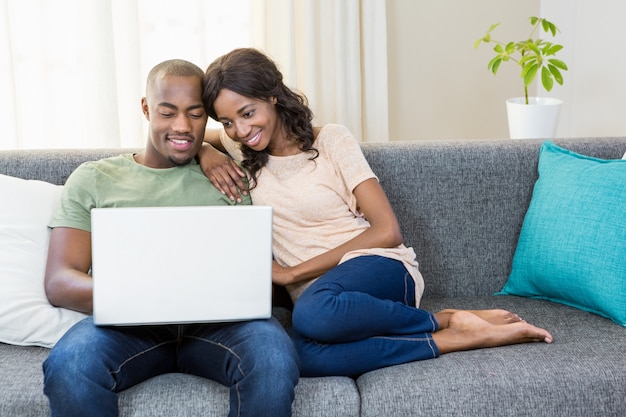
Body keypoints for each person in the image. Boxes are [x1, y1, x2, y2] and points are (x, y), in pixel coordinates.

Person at [198, 47, 553, 378]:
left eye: (248, 113)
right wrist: (205, 151)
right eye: (228, 122)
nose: (241, 130)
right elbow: (191, 137)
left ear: (272, 96)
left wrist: (292, 275)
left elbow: (387, 231)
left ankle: (437, 320)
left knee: (312, 312)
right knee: (291, 354)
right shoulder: (242, 146)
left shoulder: (331, 141)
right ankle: (454, 336)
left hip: (379, 268)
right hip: (330, 306)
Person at [42, 59, 299, 417]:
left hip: (218, 328)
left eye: (195, 114)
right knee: (70, 363)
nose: (182, 126)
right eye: (167, 112)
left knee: (273, 357)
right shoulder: (95, 178)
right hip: (128, 328)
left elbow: (260, 274)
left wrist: (207, 151)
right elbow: (59, 281)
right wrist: (152, 294)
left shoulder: (230, 177)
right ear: (146, 109)